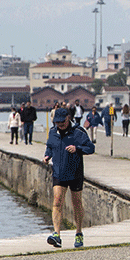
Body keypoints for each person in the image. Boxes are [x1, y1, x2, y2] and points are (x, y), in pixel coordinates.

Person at [44, 107, 95, 249]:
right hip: (59, 172)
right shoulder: (53, 132)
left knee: (76, 202)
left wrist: (77, 148)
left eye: (62, 122)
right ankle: (56, 235)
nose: (60, 125)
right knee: (57, 200)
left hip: (75, 172)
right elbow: (50, 146)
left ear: (68, 118)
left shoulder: (79, 132)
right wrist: (47, 155)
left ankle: (78, 233)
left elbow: (91, 148)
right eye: (57, 123)